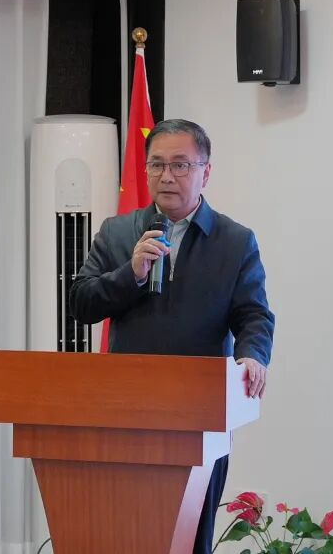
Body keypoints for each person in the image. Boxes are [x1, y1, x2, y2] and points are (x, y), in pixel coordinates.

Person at [69, 118, 275, 554]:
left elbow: (253, 314)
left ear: (205, 172)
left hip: (200, 414)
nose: (167, 176)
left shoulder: (234, 241)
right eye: (157, 164)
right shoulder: (118, 233)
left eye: (180, 165)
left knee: (191, 540)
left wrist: (253, 355)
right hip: (126, 414)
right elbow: (81, 304)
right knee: (124, 536)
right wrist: (130, 274)